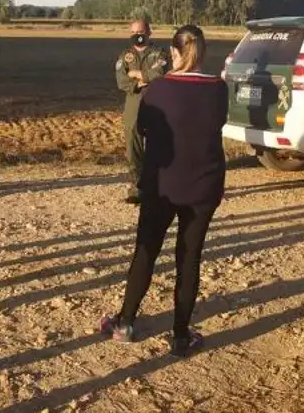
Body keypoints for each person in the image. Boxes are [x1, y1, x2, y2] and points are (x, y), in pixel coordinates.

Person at [101, 24, 228, 358]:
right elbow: (217, 124)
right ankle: (181, 335)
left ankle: (125, 322)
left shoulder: (158, 89)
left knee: (146, 251)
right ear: (203, 53)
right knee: (189, 258)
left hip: (162, 186)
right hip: (203, 187)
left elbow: (143, 128)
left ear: (173, 53)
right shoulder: (218, 88)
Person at [114, 18, 170, 204]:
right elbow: (122, 81)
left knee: (156, 147)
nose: (137, 36)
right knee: (133, 148)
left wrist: (137, 74)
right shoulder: (125, 55)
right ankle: (136, 188)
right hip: (133, 104)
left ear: (149, 33)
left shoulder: (158, 53)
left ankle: (157, 188)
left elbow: (160, 73)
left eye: (141, 32)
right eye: (133, 32)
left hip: (157, 103)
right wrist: (144, 79)